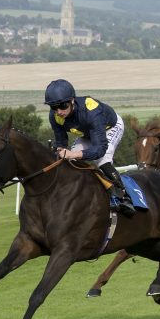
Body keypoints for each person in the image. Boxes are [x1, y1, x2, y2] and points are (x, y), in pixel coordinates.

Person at [45, 78, 135, 217]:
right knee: (68, 162)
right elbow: (61, 143)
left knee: (102, 160)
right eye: (53, 107)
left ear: (72, 101)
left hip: (110, 127)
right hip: (88, 132)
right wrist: (60, 151)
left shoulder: (92, 110)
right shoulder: (55, 116)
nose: (59, 111)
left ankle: (124, 196)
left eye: (62, 105)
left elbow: (99, 149)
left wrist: (72, 154)